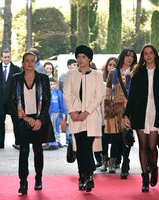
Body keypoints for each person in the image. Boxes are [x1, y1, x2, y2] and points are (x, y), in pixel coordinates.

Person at [123, 44, 159, 192]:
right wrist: (126, 114)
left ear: (155, 55)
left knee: (152, 146)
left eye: (151, 53)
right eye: (145, 54)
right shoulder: (138, 72)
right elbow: (131, 97)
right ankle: (144, 177)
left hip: (156, 113)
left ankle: (154, 168)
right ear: (143, 57)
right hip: (140, 112)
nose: (148, 56)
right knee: (143, 145)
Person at [9, 51, 55, 195]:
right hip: (22, 120)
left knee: (38, 151)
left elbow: (47, 101)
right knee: (23, 152)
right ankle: (23, 182)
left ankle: (38, 179)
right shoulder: (15, 79)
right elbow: (11, 102)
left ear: (35, 63)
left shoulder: (43, 79)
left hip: (38, 120)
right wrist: (21, 119)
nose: (29, 63)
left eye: (32, 60)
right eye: (27, 61)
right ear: (23, 63)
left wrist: (40, 120)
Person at [63, 45, 104, 192]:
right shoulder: (71, 74)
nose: (80, 59)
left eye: (83, 57)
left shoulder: (97, 75)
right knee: (80, 147)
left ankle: (87, 176)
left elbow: (99, 96)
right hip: (75, 116)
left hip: (91, 116)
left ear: (89, 59)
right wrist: (72, 112)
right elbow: (66, 94)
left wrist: (86, 112)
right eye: (78, 56)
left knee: (86, 146)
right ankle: (84, 176)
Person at [103, 49, 137, 177]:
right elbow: (107, 92)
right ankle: (119, 161)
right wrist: (106, 109)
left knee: (126, 137)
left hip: (129, 110)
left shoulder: (136, 73)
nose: (129, 58)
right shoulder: (113, 72)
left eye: (132, 57)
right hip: (114, 110)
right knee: (117, 138)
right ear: (122, 57)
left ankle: (125, 164)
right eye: (127, 56)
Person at [0, 49, 21, 149]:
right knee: (1, 122)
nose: (6, 59)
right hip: (0, 100)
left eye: (8, 57)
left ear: (10, 57)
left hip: (13, 101)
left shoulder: (16, 69)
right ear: (1, 57)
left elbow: (20, 86)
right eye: (5, 57)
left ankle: (18, 142)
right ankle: (0, 143)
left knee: (16, 122)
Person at [43, 77, 66, 150]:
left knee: (56, 127)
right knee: (49, 127)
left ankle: (58, 141)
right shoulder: (46, 92)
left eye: (53, 84)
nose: (52, 86)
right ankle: (49, 141)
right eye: (50, 84)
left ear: (56, 84)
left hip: (57, 112)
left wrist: (63, 112)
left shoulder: (58, 92)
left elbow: (62, 103)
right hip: (49, 113)